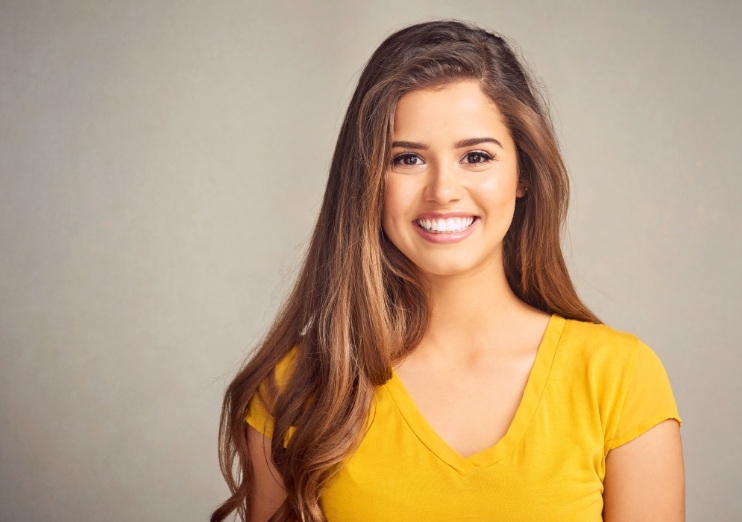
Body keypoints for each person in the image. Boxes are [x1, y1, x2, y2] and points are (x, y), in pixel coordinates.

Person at [211, 20, 684, 522]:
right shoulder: (299, 387)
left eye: (476, 156)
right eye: (408, 158)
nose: (443, 190)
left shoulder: (620, 379)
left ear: (523, 174)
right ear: (368, 181)